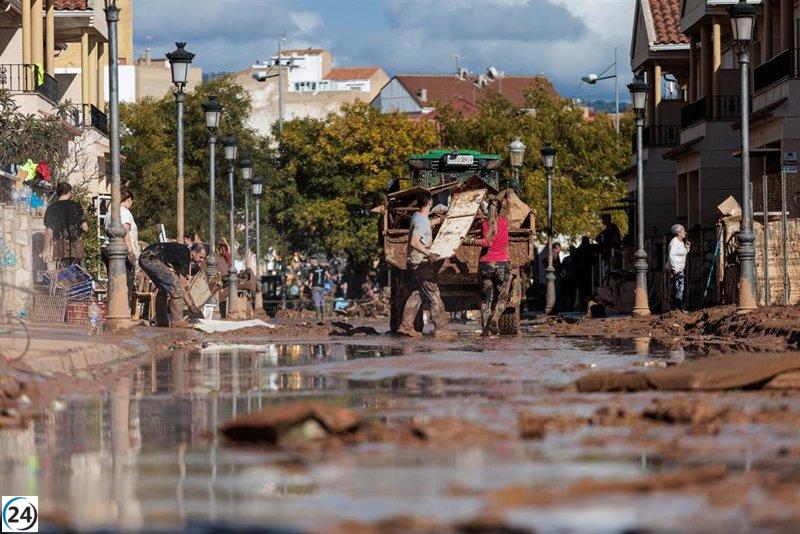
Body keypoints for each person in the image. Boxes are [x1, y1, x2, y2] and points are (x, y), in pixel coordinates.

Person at [397, 191, 453, 338]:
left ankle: (406, 326)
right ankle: (442, 329)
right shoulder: (421, 221)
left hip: (414, 262)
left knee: (417, 294)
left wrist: (439, 221)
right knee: (434, 294)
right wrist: (429, 253)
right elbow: (414, 242)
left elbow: (424, 225)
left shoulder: (417, 216)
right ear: (430, 203)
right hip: (421, 262)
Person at [464, 198, 510, 336]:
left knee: (486, 299)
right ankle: (495, 317)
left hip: (486, 265)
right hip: (502, 264)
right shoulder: (505, 222)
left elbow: (487, 242)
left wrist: (470, 241)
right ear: (500, 210)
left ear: (488, 209)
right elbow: (491, 240)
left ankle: (486, 330)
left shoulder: (485, 224)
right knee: (502, 298)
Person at [139, 242, 207, 327]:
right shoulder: (185, 255)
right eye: (201, 257)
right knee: (176, 289)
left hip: (144, 257)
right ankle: (177, 321)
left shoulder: (181, 252)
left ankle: (161, 321)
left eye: (203, 258)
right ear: (193, 252)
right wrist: (191, 305)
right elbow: (181, 285)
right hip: (151, 259)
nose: (202, 260)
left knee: (163, 288)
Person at [101, 190, 139, 313]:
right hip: (120, 250)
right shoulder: (125, 212)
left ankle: (113, 308)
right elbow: (124, 231)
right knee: (125, 282)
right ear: (128, 200)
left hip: (106, 248)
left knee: (113, 282)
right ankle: (123, 311)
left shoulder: (110, 212)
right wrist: (130, 252)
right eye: (131, 201)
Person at [42, 182, 88, 268]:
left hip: (60, 249)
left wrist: (45, 250)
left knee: (63, 274)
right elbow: (85, 228)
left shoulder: (51, 208)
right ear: (69, 192)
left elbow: (49, 232)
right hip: (76, 249)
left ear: (58, 193)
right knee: (78, 274)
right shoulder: (77, 206)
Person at [666, 224, 690, 312]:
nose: (685, 232)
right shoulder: (674, 242)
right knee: (676, 288)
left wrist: (687, 247)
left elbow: (683, 254)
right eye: (683, 231)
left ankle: (678, 308)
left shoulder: (681, 242)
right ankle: (675, 308)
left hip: (680, 269)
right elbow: (671, 255)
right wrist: (674, 268)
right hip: (675, 270)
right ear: (678, 233)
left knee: (680, 289)